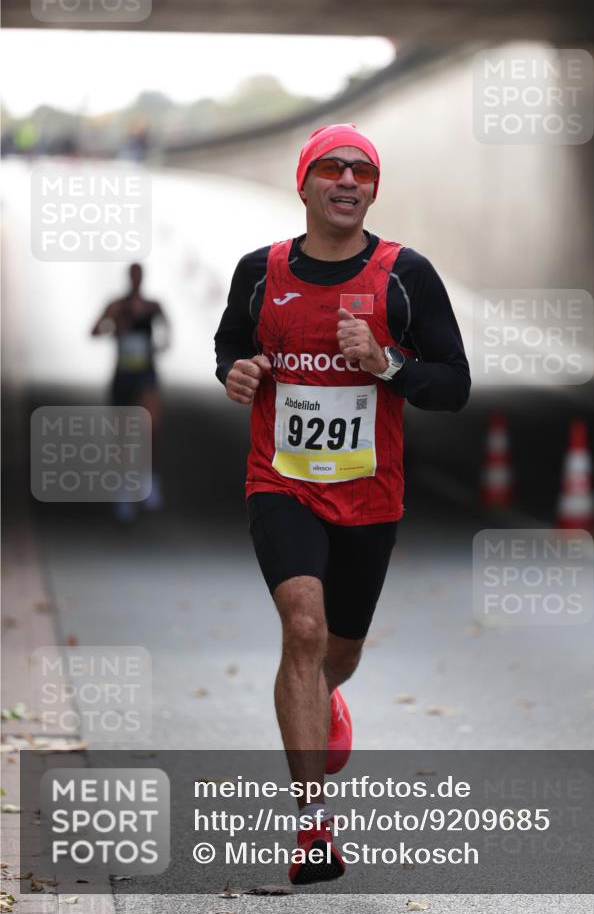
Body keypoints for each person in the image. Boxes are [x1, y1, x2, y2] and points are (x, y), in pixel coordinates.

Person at [214, 124, 470, 884]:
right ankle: (312, 829)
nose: (349, 180)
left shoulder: (403, 276)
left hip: (369, 494)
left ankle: (325, 697)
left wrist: (386, 361)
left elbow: (452, 386)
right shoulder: (259, 272)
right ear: (304, 184)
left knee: (338, 655)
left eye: (363, 170)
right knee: (302, 628)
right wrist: (236, 374)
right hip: (281, 482)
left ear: (372, 189)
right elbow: (230, 346)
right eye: (332, 167)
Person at [91, 263, 169, 521]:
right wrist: (113, 328)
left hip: (146, 373)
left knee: (152, 427)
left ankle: (149, 480)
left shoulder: (151, 306)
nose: (136, 279)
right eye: (133, 275)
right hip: (124, 374)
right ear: (129, 277)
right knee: (123, 435)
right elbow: (94, 330)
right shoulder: (117, 307)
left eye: (139, 275)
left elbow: (167, 328)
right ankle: (124, 489)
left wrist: (162, 344)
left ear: (142, 278)